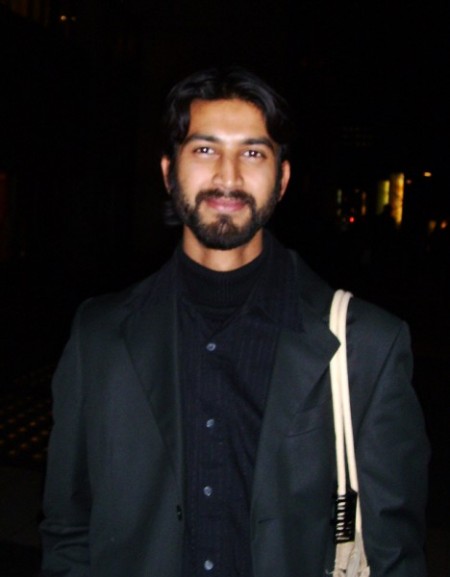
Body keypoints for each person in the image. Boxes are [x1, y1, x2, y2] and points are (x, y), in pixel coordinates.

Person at [39, 66, 429, 577]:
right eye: (205, 149)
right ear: (168, 171)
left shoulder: (368, 345)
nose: (228, 176)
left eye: (253, 153)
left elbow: (393, 555)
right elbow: (69, 528)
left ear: (282, 179)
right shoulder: (99, 334)